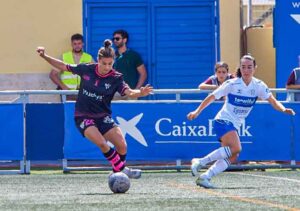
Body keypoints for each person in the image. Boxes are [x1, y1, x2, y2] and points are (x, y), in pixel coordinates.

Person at [37, 39, 153, 179]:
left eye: (110, 64)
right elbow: (63, 66)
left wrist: (140, 93)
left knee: (122, 146)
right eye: (104, 63)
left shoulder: (116, 78)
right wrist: (44, 56)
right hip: (83, 116)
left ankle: (118, 173)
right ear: (98, 60)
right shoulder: (86, 68)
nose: (106, 67)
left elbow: (128, 92)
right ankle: (123, 171)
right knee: (102, 144)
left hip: (103, 117)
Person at [187, 55, 296, 189]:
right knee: (236, 148)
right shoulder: (232, 84)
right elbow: (212, 96)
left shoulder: (259, 86)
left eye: (249, 67)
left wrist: (284, 109)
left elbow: (273, 101)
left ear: (254, 68)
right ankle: (200, 161)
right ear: (240, 68)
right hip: (223, 120)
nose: (246, 70)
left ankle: (205, 177)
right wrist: (197, 111)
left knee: (233, 156)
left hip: (234, 125)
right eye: (243, 67)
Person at [49, 33, 94, 101]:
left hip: (84, 94)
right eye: (75, 44)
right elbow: (52, 75)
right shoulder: (64, 57)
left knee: (83, 112)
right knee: (68, 111)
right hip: (67, 94)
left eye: (79, 43)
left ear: (83, 44)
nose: (77, 46)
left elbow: (97, 74)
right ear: (71, 44)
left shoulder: (89, 58)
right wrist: (63, 87)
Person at [112, 29, 147, 98]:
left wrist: (136, 90)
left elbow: (143, 74)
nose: (115, 41)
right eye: (113, 39)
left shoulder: (134, 55)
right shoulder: (111, 55)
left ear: (125, 40)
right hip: (115, 93)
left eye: (117, 38)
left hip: (131, 93)